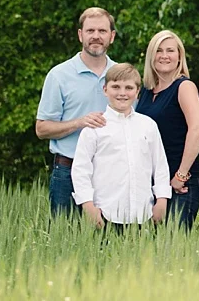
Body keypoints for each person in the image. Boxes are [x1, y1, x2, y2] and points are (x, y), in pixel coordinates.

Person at [35, 7, 117, 216]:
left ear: (112, 36)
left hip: (111, 173)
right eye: (90, 31)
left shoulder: (121, 76)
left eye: (102, 31)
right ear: (81, 35)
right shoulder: (59, 75)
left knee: (109, 236)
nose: (96, 36)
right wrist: (79, 122)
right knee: (64, 234)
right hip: (67, 172)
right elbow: (42, 129)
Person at [71, 63, 171, 229]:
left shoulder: (148, 125)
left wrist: (161, 199)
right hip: (105, 213)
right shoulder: (94, 128)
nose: (122, 93)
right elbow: (81, 170)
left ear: (137, 92)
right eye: (116, 87)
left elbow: (160, 166)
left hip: (143, 214)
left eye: (129, 88)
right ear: (105, 90)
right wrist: (88, 205)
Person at [136, 29, 199, 230]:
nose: (164, 55)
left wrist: (180, 175)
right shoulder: (146, 91)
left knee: (174, 241)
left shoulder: (184, 87)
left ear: (179, 56)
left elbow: (198, 129)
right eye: (159, 50)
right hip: (153, 182)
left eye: (170, 50)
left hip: (181, 182)